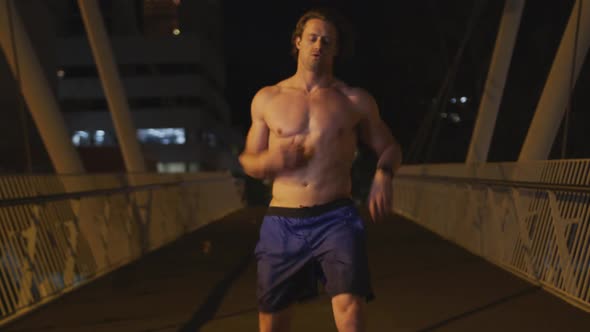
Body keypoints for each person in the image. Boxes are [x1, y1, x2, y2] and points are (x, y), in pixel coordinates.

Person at [239, 7, 402, 332]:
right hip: (282, 219)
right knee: (272, 321)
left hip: (336, 217)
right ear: (298, 42)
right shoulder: (267, 99)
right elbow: (248, 161)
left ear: (336, 49)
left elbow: (390, 147)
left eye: (327, 41)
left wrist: (384, 175)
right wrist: (271, 162)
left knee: (350, 311)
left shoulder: (354, 100)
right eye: (312, 38)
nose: (319, 45)